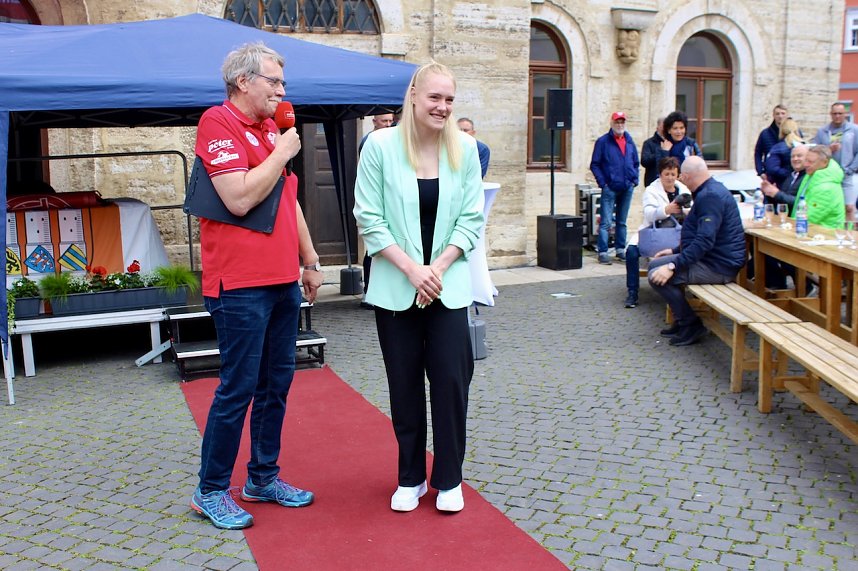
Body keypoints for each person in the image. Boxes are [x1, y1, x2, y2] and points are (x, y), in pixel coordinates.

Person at [190, 42, 324, 530]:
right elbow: (240, 198)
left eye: (283, 83)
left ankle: (262, 478)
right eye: (274, 82)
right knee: (238, 388)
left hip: (281, 281)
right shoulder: (217, 123)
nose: (282, 92)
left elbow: (286, 201)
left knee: (276, 385)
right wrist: (284, 151)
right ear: (244, 81)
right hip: (240, 285)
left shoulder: (272, 130)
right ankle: (210, 490)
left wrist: (309, 259)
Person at [353, 62, 484, 514]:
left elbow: (471, 218)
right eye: (434, 97)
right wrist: (413, 270)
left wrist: (438, 268)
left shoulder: (465, 149)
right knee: (404, 385)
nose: (443, 107)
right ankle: (409, 477)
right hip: (395, 286)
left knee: (451, 382)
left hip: (447, 286)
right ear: (413, 96)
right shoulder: (379, 147)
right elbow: (369, 218)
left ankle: (448, 479)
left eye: (449, 99)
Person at [648, 156, 746, 346]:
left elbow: (705, 241)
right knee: (654, 264)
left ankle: (691, 325)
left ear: (687, 175)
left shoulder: (710, 197)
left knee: (656, 277)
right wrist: (674, 250)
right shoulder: (709, 191)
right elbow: (700, 236)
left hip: (718, 266)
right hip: (712, 259)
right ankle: (682, 319)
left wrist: (673, 265)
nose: (680, 181)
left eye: (682, 177)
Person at [624, 156, 691, 308]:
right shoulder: (651, 190)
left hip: (677, 233)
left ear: (677, 175)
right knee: (632, 252)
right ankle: (632, 292)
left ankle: (683, 288)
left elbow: (693, 211)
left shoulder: (683, 189)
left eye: (673, 174)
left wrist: (684, 209)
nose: (670, 178)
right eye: (666, 174)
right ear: (660, 174)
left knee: (690, 250)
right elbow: (649, 214)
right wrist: (666, 210)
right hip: (654, 231)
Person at [589, 111, 640, 265]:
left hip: (627, 186)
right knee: (605, 222)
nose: (620, 125)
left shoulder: (629, 141)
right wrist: (603, 183)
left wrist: (634, 180)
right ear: (611, 123)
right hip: (610, 187)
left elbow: (635, 163)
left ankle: (620, 250)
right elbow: (595, 164)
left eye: (622, 122)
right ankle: (603, 252)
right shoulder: (603, 141)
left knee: (622, 221)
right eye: (617, 122)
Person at [358, 113, 395, 308]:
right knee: (372, 249)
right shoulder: (370, 142)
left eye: (391, 121)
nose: (388, 124)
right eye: (384, 121)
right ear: (374, 122)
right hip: (377, 202)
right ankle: (369, 291)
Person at [811, 102, 858, 216]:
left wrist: (851, 169)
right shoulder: (823, 131)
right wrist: (828, 149)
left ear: (845, 114)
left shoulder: (854, 130)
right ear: (830, 114)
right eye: (835, 113)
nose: (837, 116)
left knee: (849, 207)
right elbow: (813, 151)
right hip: (828, 175)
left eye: (840, 113)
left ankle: (850, 233)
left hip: (846, 174)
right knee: (827, 207)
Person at [791, 144, 845, 229]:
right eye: (806, 160)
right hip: (810, 231)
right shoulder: (812, 175)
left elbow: (811, 217)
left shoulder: (827, 188)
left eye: (810, 162)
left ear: (825, 162)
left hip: (825, 236)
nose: (805, 164)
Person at [763, 118, 805, 190]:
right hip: (802, 183)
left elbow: (771, 168)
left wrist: (788, 173)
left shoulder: (778, 148)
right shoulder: (805, 146)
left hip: (781, 186)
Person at [761, 144, 807, 209]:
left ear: (808, 158)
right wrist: (769, 192)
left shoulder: (809, 178)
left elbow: (801, 203)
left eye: (799, 156)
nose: (795, 159)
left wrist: (776, 194)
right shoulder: (790, 176)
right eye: (792, 156)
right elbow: (781, 201)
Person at [755, 104, 789, 177]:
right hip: (770, 174)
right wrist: (760, 171)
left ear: (787, 115)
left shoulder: (794, 133)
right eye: (777, 114)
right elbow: (758, 153)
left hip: (787, 174)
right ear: (773, 115)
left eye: (783, 113)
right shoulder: (765, 134)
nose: (780, 116)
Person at [640, 116, 665, 187]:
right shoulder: (649, 143)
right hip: (652, 181)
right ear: (658, 127)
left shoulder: (671, 142)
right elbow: (644, 161)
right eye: (663, 126)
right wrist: (660, 152)